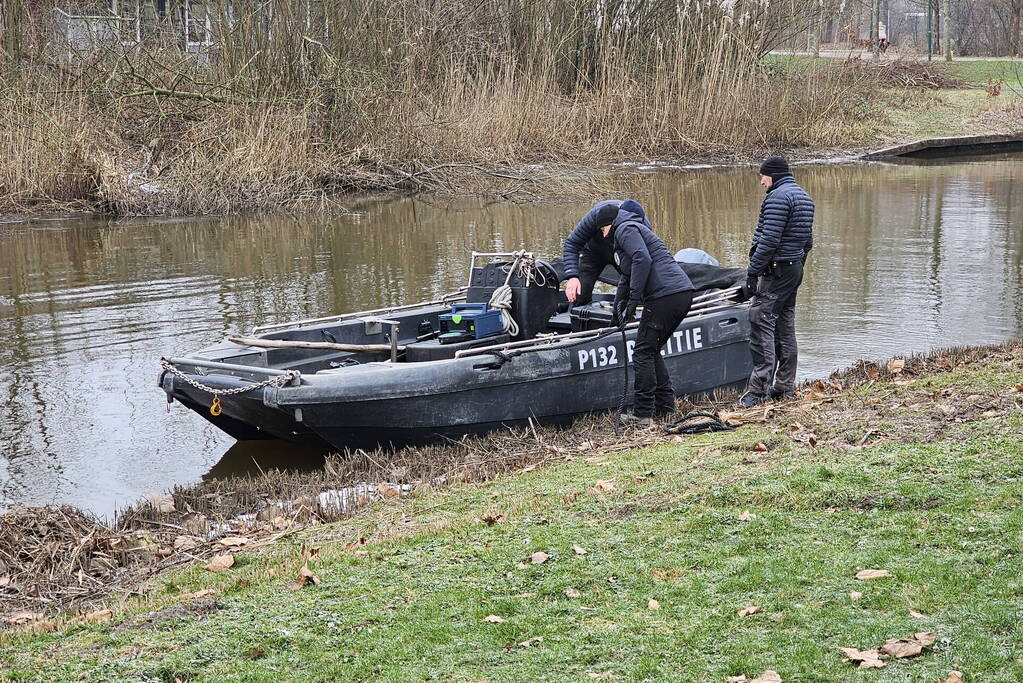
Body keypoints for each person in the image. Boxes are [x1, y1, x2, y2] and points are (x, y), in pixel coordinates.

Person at [603, 200, 695, 425]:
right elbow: (627, 275)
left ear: (610, 222)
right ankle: (665, 408)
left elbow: (642, 259)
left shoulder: (625, 228)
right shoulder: (635, 231)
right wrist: (618, 309)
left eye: (602, 226)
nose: (601, 231)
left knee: (642, 352)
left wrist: (635, 299)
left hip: (665, 295)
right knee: (651, 350)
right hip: (680, 293)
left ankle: (642, 414)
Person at [739, 156, 815, 408]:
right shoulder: (803, 196)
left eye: (763, 176)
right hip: (793, 269)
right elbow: (807, 243)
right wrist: (796, 266)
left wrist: (753, 272)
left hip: (776, 270)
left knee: (760, 320)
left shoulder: (778, 197)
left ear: (772, 175)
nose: (761, 182)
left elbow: (768, 240)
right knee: (785, 324)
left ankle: (758, 391)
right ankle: (784, 386)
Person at [562, 200, 652, 306]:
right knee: (579, 293)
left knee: (641, 293)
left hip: (622, 254)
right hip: (593, 253)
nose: (605, 234)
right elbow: (572, 243)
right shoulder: (596, 215)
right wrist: (572, 276)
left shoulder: (643, 225)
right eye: (602, 229)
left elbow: (644, 260)